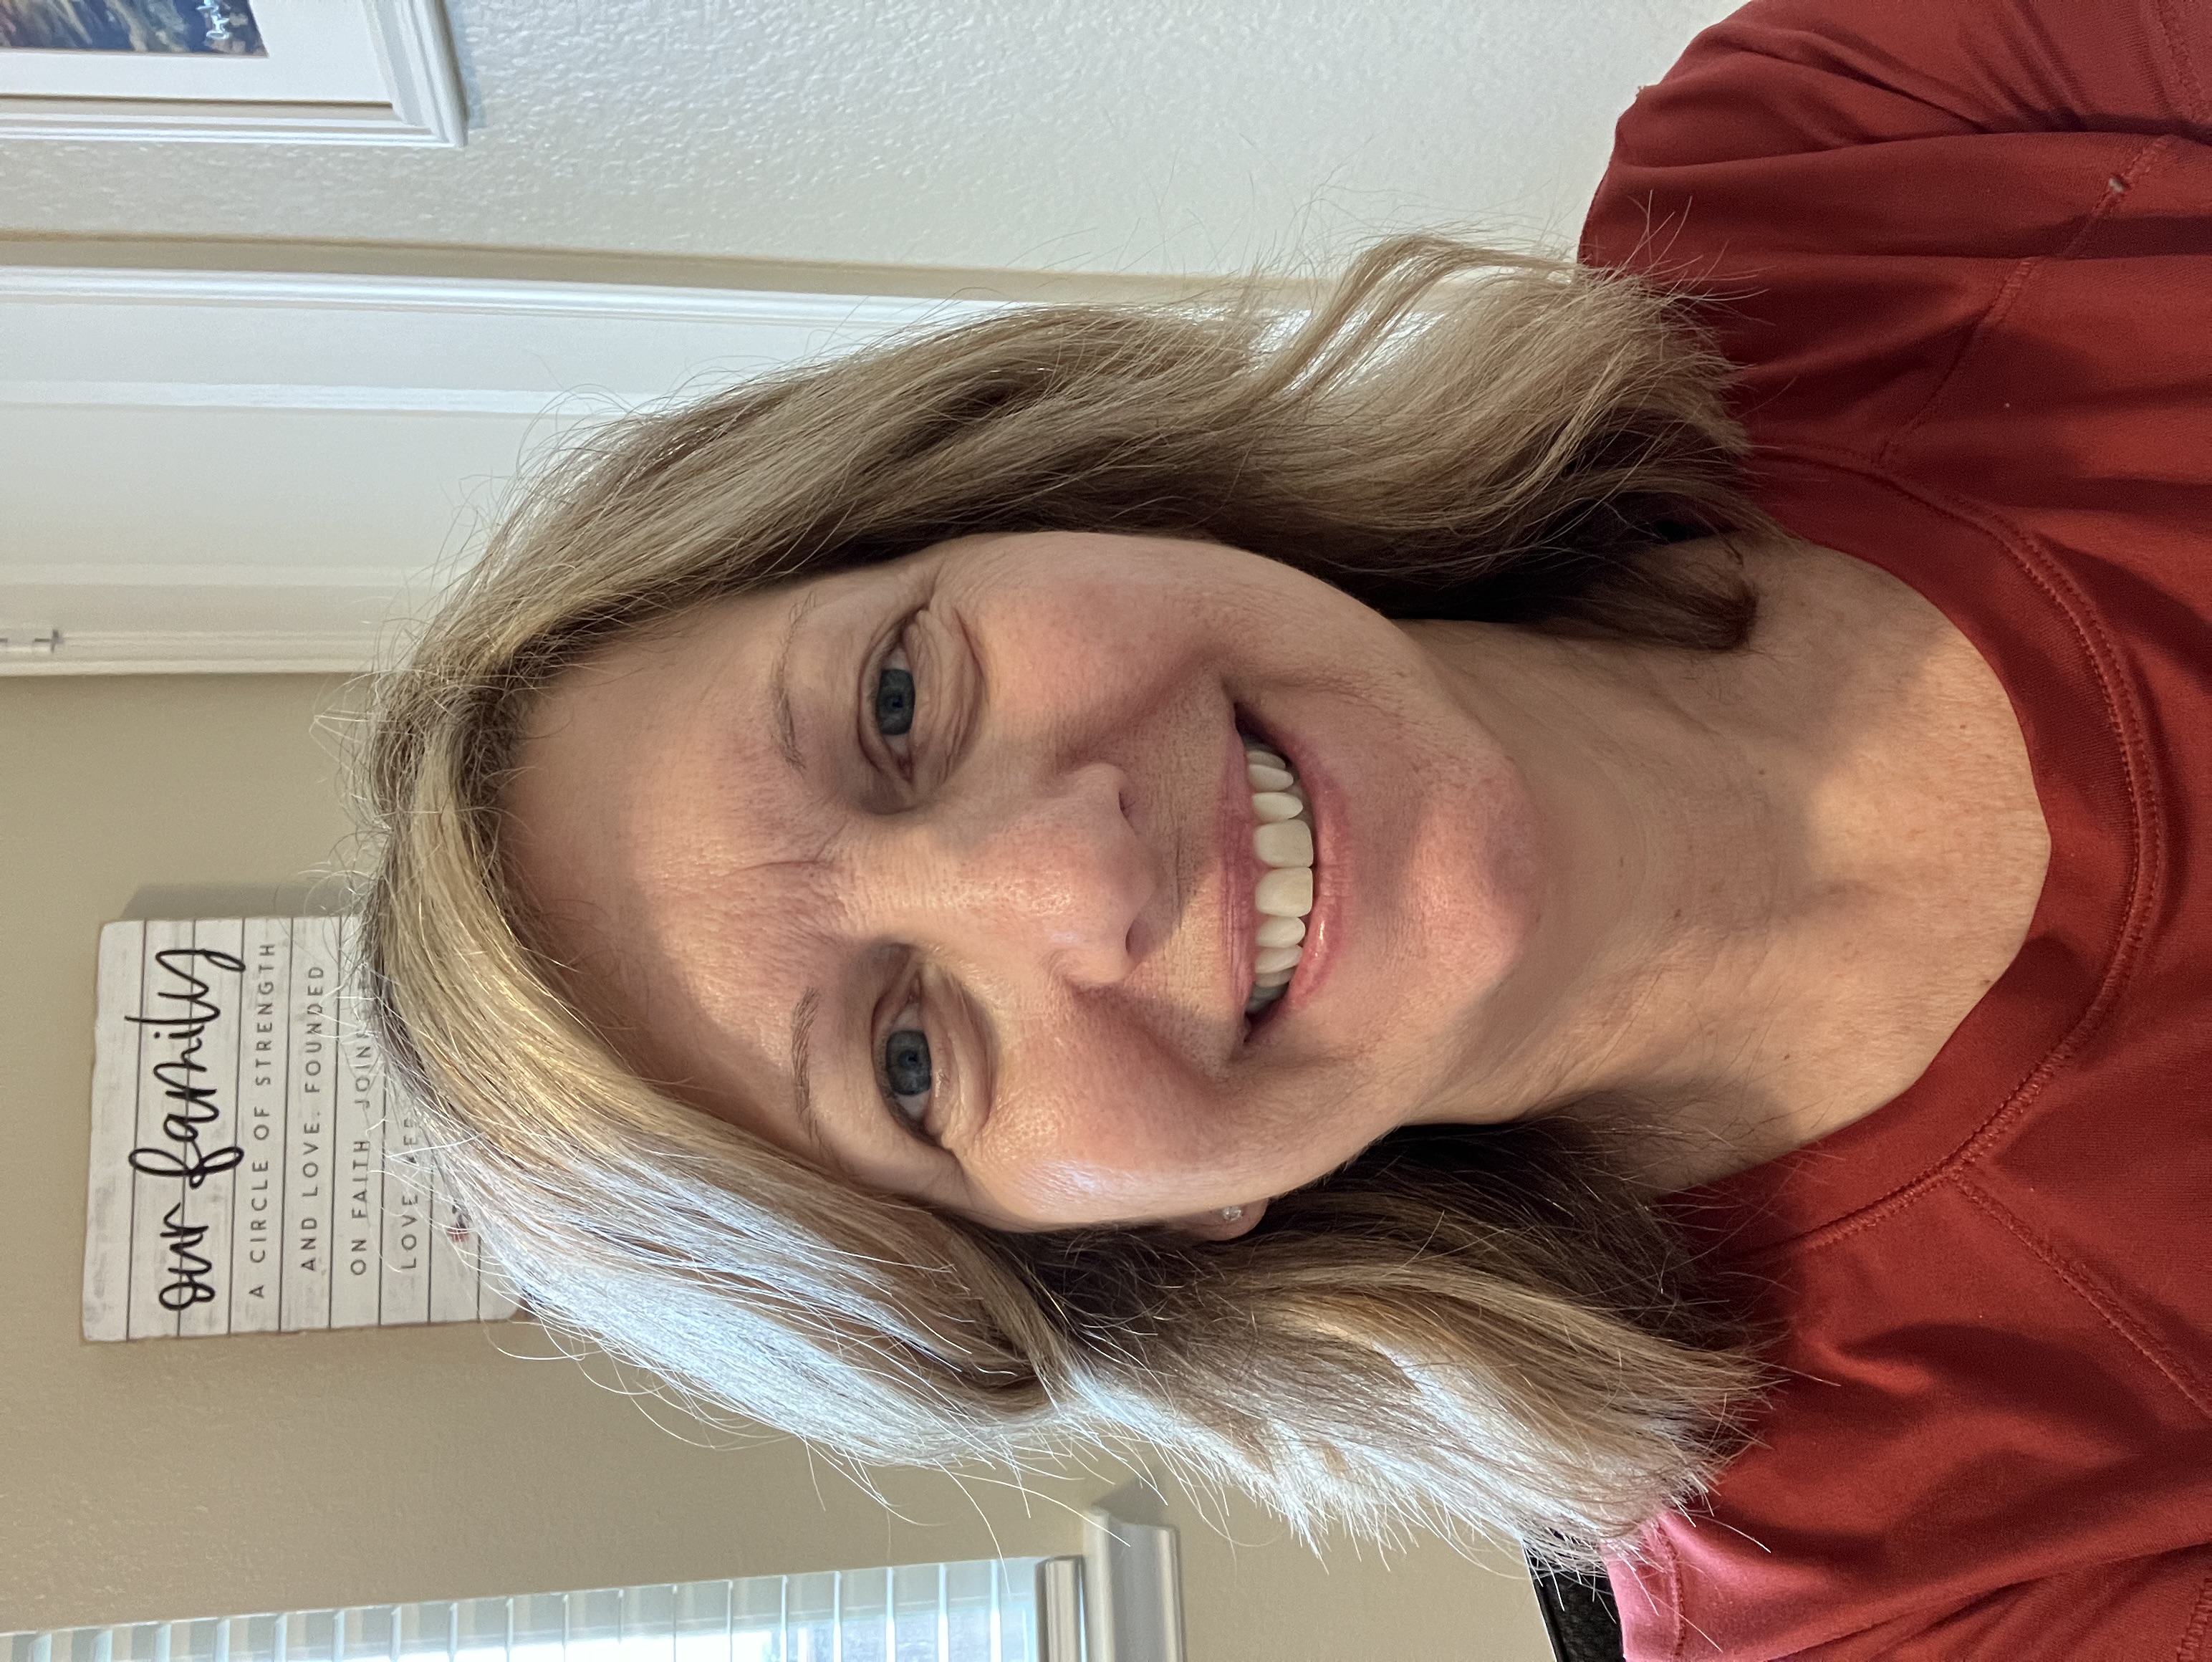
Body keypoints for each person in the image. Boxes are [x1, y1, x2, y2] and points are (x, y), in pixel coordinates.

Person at [359, 0, 2212, 1655]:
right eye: (909, 1058)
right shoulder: (1884, 1610)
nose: (1074, 872)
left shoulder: (1843, 139)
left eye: (898, 703)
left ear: (1041, 497)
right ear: (1136, 1247)